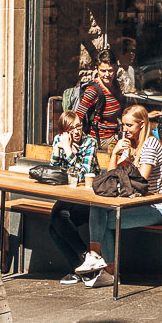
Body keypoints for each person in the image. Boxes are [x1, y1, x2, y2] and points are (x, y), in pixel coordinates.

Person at [76, 105, 162, 288]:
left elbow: (141, 181)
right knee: (97, 206)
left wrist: (124, 175)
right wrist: (115, 153)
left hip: (158, 207)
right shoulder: (130, 145)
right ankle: (95, 257)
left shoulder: (150, 145)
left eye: (129, 126)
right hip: (137, 204)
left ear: (142, 125)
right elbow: (110, 178)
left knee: (104, 221)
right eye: (124, 125)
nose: (125, 130)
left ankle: (109, 270)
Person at [48, 111, 100, 285]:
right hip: (69, 197)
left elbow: (82, 175)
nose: (77, 131)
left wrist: (69, 151)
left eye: (79, 126)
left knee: (58, 217)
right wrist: (57, 150)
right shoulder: (59, 140)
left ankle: (82, 262)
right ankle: (82, 266)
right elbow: (53, 173)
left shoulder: (89, 143)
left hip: (91, 199)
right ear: (64, 131)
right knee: (55, 223)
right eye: (72, 128)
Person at [75, 49, 125, 152]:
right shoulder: (93, 90)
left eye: (110, 70)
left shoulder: (115, 86)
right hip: (101, 140)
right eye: (103, 70)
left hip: (115, 134)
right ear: (97, 69)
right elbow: (78, 116)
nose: (107, 74)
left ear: (115, 68)